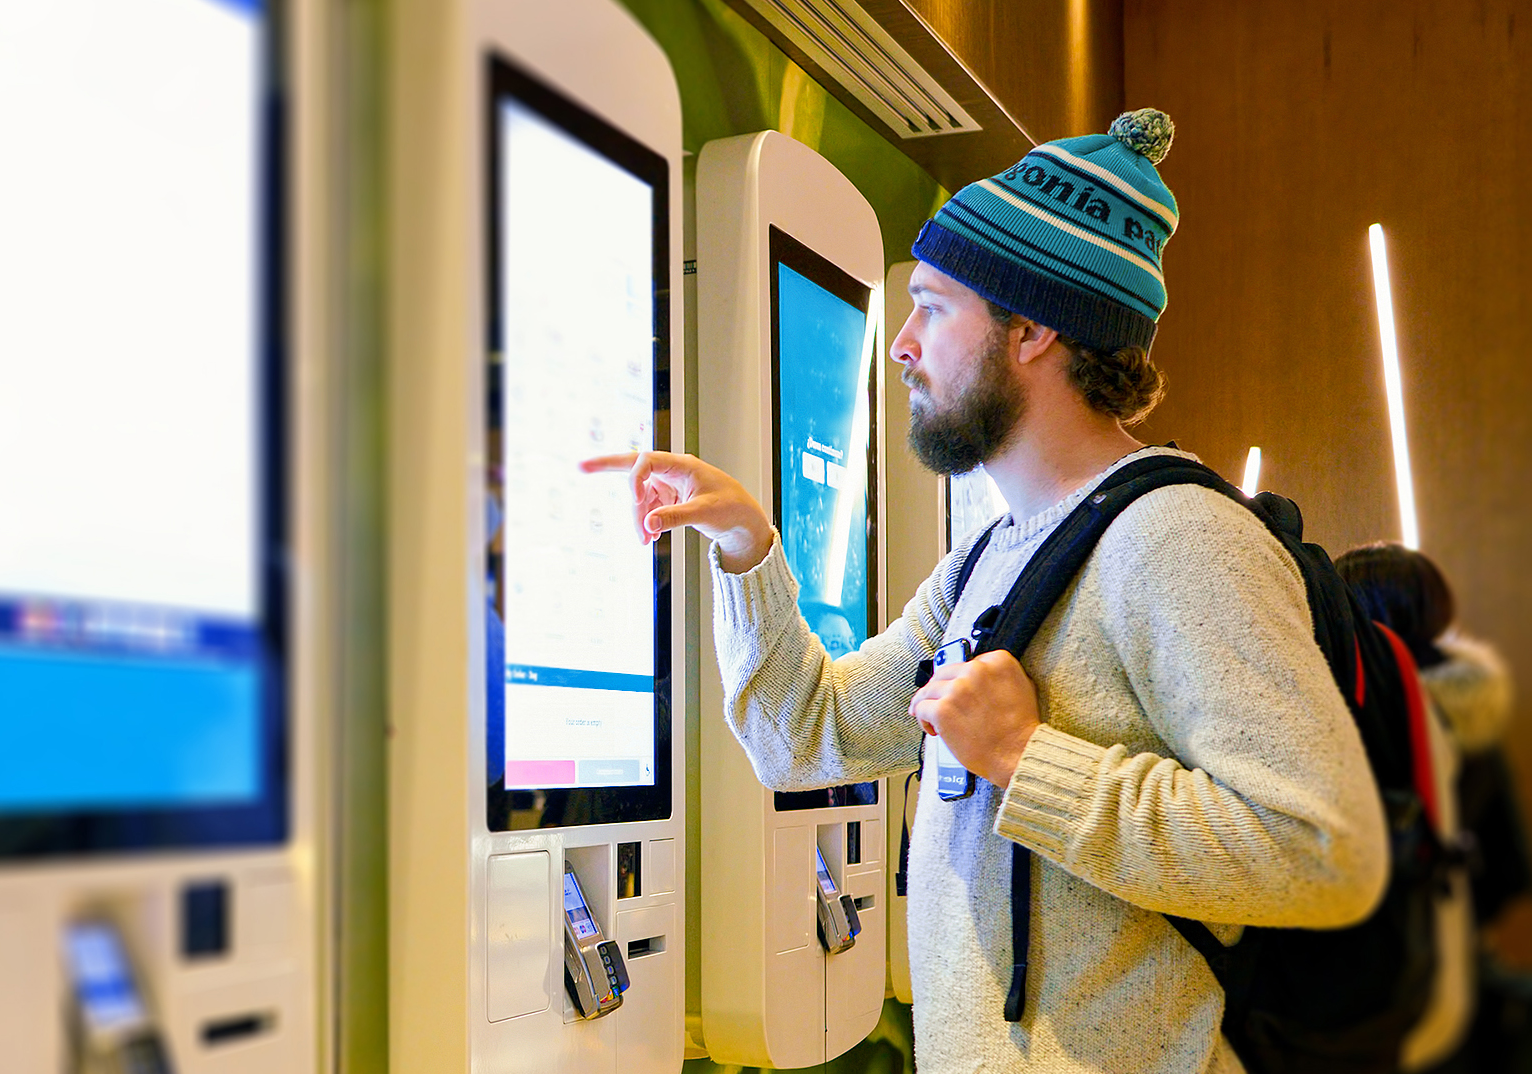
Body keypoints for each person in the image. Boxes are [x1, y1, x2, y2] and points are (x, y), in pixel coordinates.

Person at [585, 109, 1390, 1073]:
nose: (903, 344)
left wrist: (1023, 757)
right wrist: (746, 547)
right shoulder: (991, 555)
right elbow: (807, 737)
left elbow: (1319, 850)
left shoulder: (1180, 539)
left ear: (1032, 327)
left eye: (932, 307)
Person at [1335, 542, 1524, 1073]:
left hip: (1345, 994)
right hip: (1452, 979)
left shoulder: (1331, 715)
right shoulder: (1473, 715)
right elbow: (1506, 867)